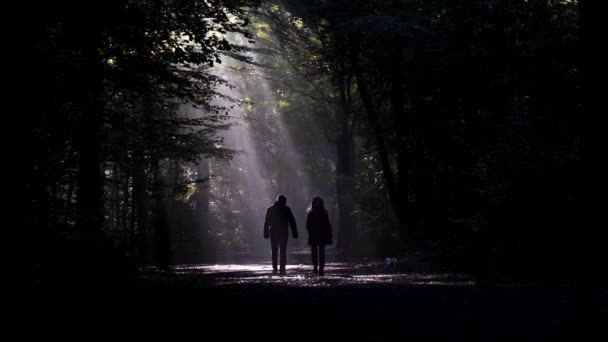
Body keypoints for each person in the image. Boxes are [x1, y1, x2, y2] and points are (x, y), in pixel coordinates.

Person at [263, 194, 298, 275]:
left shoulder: (271, 209)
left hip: (274, 233)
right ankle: (282, 268)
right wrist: (295, 233)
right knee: (282, 251)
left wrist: (266, 233)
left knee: (275, 251)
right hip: (282, 233)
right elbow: (292, 222)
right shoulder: (286, 209)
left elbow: (266, 223)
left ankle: (276, 268)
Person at [306, 196, 332, 276]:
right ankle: (315, 266)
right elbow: (308, 225)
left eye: (319, 202)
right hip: (313, 235)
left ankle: (321, 267)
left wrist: (329, 234)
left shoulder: (324, 212)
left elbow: (327, 224)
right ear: (314, 203)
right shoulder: (310, 213)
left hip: (322, 235)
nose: (317, 204)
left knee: (321, 252)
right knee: (314, 253)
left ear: (321, 203)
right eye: (316, 202)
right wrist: (311, 232)